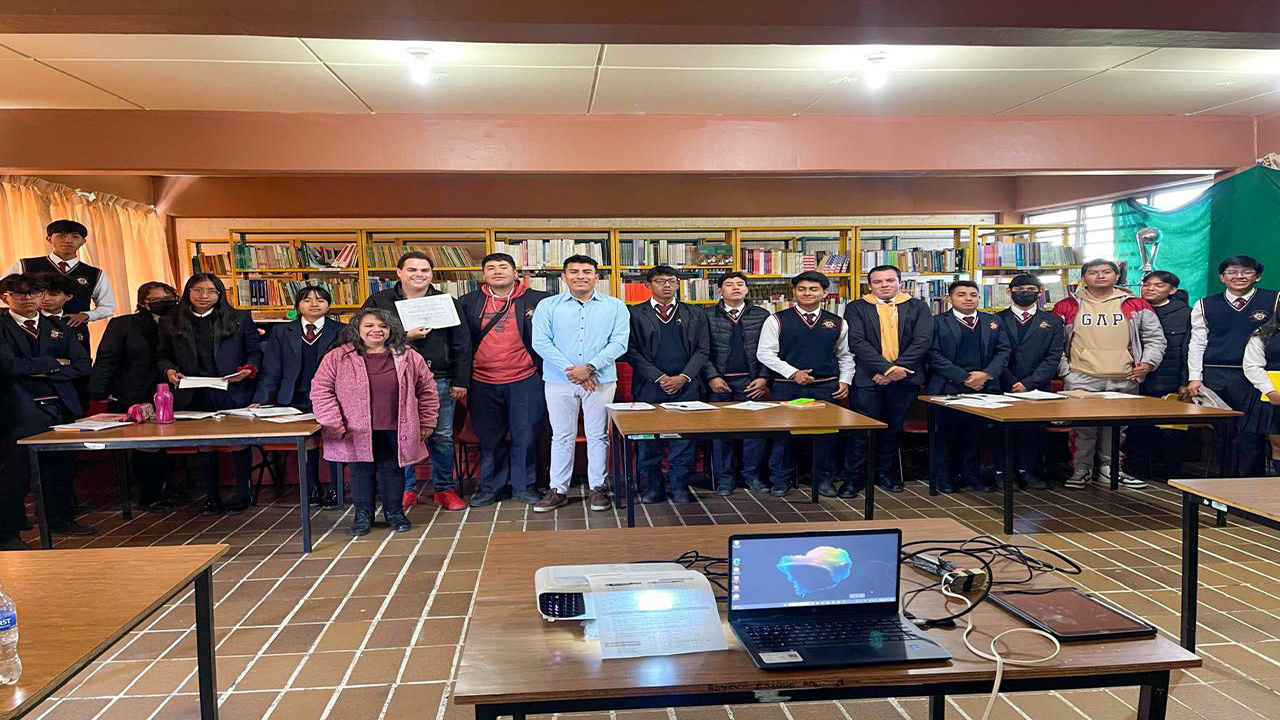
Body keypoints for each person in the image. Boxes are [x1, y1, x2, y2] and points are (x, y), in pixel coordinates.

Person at [310, 309, 439, 536]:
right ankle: (363, 515)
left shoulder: (408, 356)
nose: (376, 330)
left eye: (383, 326)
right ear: (357, 330)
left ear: (391, 330)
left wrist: (427, 421)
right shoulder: (338, 357)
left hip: (396, 425)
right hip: (353, 428)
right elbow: (321, 391)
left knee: (393, 469)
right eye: (369, 326)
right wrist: (333, 422)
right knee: (360, 471)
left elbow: (427, 389)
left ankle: (395, 513)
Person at [363, 252, 472, 512]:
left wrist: (461, 380)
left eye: (424, 270)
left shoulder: (445, 302)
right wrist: (405, 335)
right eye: (412, 270)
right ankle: (406, 489)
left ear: (432, 274)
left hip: (440, 378)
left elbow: (462, 343)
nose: (418, 275)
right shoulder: (380, 301)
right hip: (393, 379)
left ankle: (444, 489)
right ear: (399, 272)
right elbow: (365, 335)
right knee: (401, 435)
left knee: (442, 436)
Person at [1053, 260, 1166, 490]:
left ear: (1117, 276)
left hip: (1124, 377)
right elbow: (1054, 343)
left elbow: (1155, 338)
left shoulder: (1137, 304)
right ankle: (1080, 470)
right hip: (1081, 377)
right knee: (1082, 428)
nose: (1100, 276)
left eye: (1106, 272)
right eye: (1093, 273)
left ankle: (1111, 470)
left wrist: (1147, 363)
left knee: (1117, 429)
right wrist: (1067, 372)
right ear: (1084, 277)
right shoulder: (1067, 305)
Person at [530, 254, 629, 513]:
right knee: (562, 435)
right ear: (564, 277)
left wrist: (590, 368)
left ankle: (598, 488)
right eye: (573, 271)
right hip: (559, 380)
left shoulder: (615, 306)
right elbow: (541, 342)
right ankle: (558, 490)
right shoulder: (548, 306)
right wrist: (574, 372)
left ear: (597, 277)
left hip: (601, 379)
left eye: (587, 271)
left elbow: (619, 343)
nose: (580, 276)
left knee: (598, 435)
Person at [156, 274, 262, 515]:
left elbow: (254, 352)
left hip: (231, 389)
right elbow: (162, 355)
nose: (205, 296)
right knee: (204, 445)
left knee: (238, 442)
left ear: (220, 294)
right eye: (198, 290)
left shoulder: (239, 318)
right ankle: (211, 496)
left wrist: (248, 369)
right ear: (188, 292)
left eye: (212, 291)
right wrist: (169, 370)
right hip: (193, 390)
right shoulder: (170, 321)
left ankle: (243, 494)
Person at [0, 273, 93, 540]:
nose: (28, 298)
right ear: (6, 297)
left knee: (62, 466)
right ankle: (9, 532)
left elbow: (82, 365)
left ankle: (60, 519)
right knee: (15, 472)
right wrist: (53, 363)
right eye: (19, 294)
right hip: (15, 407)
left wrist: (38, 369)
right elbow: (8, 366)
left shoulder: (57, 325)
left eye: (34, 293)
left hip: (59, 405)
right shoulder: (2, 325)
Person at [456, 253, 550, 508]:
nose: (497, 271)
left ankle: (525, 486)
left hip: (526, 379)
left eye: (503, 267)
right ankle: (491, 488)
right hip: (481, 381)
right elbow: (459, 343)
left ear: (515, 272)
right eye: (490, 268)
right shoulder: (467, 303)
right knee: (490, 438)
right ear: (483, 274)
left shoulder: (539, 300)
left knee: (526, 435)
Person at [756, 271, 854, 497]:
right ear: (794, 293)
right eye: (802, 289)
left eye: (813, 289)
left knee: (826, 436)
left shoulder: (838, 322)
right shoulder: (777, 319)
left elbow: (845, 356)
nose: (807, 293)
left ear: (824, 293)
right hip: (787, 386)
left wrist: (845, 380)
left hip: (825, 387)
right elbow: (765, 354)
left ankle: (824, 480)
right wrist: (793, 373)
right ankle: (780, 479)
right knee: (784, 436)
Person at [89, 281, 180, 512]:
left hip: (170, 391)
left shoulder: (180, 322)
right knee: (145, 446)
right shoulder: (124, 324)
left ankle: (167, 487)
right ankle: (149, 494)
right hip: (133, 391)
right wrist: (99, 391)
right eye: (157, 300)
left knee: (168, 443)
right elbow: (107, 359)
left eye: (168, 299)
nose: (164, 304)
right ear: (142, 302)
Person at [844, 264, 934, 495]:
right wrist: (886, 369)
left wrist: (897, 370)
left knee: (892, 429)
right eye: (878, 282)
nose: (884, 285)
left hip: (905, 379)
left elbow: (922, 340)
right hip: (868, 378)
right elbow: (857, 342)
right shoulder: (857, 307)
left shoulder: (917, 306)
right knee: (862, 430)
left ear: (900, 282)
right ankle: (854, 478)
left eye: (889, 280)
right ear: (870, 285)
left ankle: (886, 475)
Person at [624, 265, 710, 504]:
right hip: (649, 386)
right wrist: (660, 378)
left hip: (687, 386)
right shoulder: (634, 313)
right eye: (660, 281)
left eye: (671, 281)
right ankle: (652, 487)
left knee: (684, 439)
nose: (667, 285)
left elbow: (703, 350)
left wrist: (684, 377)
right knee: (647, 439)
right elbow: (630, 350)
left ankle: (680, 485)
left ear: (678, 284)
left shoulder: (695, 313)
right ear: (648, 285)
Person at [251, 286, 343, 508]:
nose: (314, 304)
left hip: (331, 396)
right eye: (307, 300)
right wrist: (261, 399)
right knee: (307, 441)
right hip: (295, 395)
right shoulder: (283, 331)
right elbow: (272, 367)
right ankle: (311, 488)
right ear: (298, 305)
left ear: (329, 305)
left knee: (334, 439)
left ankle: (335, 489)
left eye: (321, 300)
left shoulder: (342, 330)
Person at [1186, 255, 1277, 476]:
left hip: (1259, 378)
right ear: (1222, 277)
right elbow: (1197, 342)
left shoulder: (1274, 300)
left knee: (1251, 433)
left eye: (1246, 272)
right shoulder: (1205, 305)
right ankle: (1223, 481)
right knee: (1222, 432)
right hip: (1216, 374)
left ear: (1257, 276)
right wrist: (1194, 376)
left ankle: (1250, 482)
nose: (1239, 276)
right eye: (1232, 272)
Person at [925, 281, 1011, 493]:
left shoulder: (993, 321)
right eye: (961, 294)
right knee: (945, 434)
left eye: (973, 294)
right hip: (948, 386)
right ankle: (943, 478)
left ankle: (973, 477)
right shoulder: (937, 322)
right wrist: (963, 377)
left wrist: (986, 374)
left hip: (984, 387)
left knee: (975, 434)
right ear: (949, 299)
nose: (968, 298)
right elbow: (932, 354)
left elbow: (1003, 351)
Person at [703, 272, 771, 496]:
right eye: (729, 285)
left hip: (751, 381)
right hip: (719, 382)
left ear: (747, 290)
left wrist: (763, 378)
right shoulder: (706, 315)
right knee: (721, 433)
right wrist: (712, 376)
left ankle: (752, 476)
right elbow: (700, 351)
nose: (735, 288)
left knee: (754, 433)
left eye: (740, 284)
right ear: (720, 290)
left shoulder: (763, 315)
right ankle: (724, 479)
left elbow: (772, 350)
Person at [996, 274, 1064, 490]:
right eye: (1019, 288)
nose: (1024, 292)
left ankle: (1029, 470)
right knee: (1003, 430)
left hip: (1036, 386)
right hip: (1003, 383)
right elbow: (993, 354)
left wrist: (1031, 382)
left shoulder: (1053, 321)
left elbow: (1053, 356)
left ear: (1040, 291)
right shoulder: (996, 319)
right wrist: (1011, 380)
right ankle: (1003, 472)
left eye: (1030, 288)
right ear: (1009, 291)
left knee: (1033, 430)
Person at [1128, 271, 1191, 481]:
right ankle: (1138, 469)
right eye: (1146, 284)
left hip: (1169, 380)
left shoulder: (1184, 314)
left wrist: (1184, 382)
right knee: (1137, 428)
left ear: (1172, 290)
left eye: (1159, 285)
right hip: (1135, 378)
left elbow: (1186, 350)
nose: (1150, 289)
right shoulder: (1132, 309)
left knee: (1170, 430)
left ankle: (1172, 472)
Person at [6, 220, 115, 329]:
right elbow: (4, 291)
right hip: (31, 330)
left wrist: (85, 315)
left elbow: (107, 306)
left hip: (75, 331)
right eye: (61, 236)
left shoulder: (94, 273)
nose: (68, 240)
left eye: (75, 237)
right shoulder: (25, 265)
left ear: (83, 241)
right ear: (49, 239)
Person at [1242, 312, 1280, 476]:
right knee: (1277, 444)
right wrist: (1271, 391)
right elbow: (1252, 366)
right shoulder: (1264, 334)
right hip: (1273, 395)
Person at [37, 273, 91, 352]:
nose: (46, 299)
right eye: (41, 294)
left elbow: (84, 356)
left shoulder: (76, 323)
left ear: (69, 296)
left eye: (53, 295)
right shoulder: (29, 321)